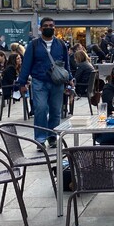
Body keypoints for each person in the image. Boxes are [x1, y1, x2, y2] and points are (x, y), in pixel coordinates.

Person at [16, 17, 73, 147]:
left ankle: (52, 136)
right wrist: (22, 82)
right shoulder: (34, 44)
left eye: (51, 25)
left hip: (57, 82)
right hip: (39, 81)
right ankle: (40, 138)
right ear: (41, 28)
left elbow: (66, 63)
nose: (49, 27)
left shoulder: (61, 44)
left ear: (54, 28)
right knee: (40, 108)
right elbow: (26, 64)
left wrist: (70, 79)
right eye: (46, 25)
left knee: (55, 110)